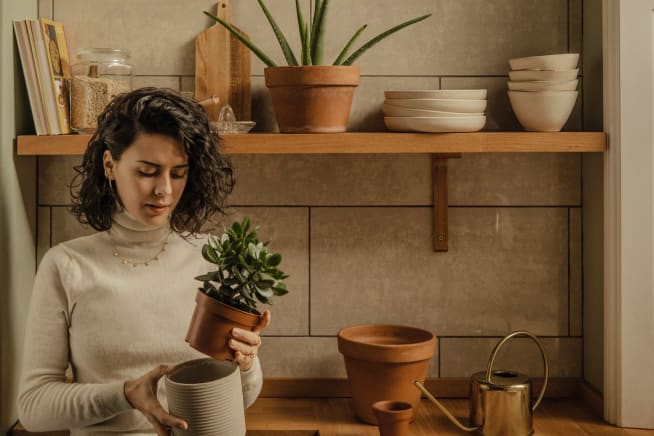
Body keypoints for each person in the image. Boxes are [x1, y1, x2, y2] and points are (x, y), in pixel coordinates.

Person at [17, 87, 270, 436]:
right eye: (148, 171)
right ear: (110, 164)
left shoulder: (217, 257)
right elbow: (34, 408)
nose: (164, 190)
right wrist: (125, 394)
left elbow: (241, 399)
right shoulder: (66, 266)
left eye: (178, 173)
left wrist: (247, 365)